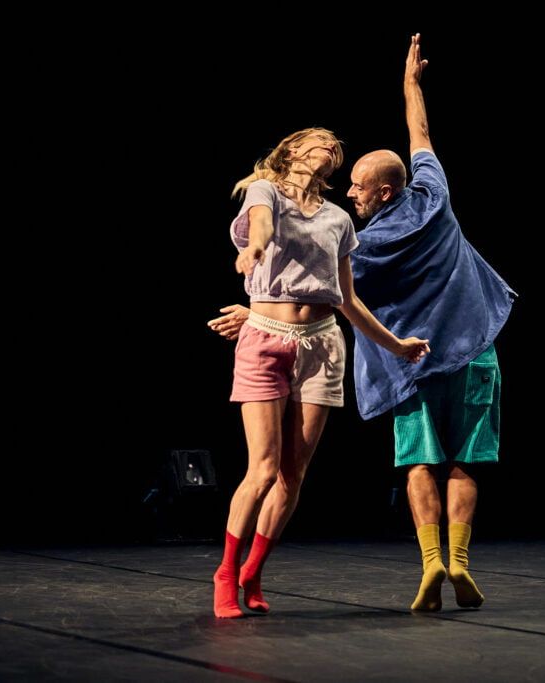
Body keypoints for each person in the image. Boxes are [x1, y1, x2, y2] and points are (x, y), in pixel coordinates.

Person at [209, 34, 516, 612]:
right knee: (463, 461)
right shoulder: (433, 194)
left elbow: (333, 297)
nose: (349, 188)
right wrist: (410, 85)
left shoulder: (359, 237)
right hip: (474, 344)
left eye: (357, 183)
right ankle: (456, 564)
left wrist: (256, 310)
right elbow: (419, 137)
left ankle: (428, 565)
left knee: (408, 461)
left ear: (382, 192)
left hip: (403, 359)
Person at [210, 127, 430, 619]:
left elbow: (347, 298)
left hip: (324, 345)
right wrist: (255, 249)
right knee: (263, 468)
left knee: (292, 475)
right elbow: (262, 224)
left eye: (336, 143)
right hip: (266, 337)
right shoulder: (265, 191)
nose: (332, 145)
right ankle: (226, 571)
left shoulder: (337, 220)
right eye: (321, 138)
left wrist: (396, 345)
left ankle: (255, 571)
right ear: (292, 150)